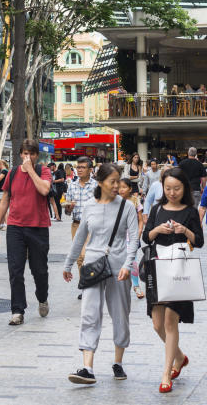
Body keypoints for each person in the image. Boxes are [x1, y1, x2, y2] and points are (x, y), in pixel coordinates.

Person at [63, 163, 139, 385]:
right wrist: (68, 265)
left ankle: (118, 362)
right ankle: (87, 367)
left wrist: (127, 264)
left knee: (120, 314)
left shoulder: (127, 207)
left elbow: (134, 239)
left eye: (119, 181)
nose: (117, 186)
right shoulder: (89, 206)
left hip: (119, 269)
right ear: (100, 183)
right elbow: (80, 239)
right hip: (93, 266)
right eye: (112, 182)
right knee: (89, 314)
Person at [142, 167, 204, 393]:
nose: (172, 192)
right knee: (157, 324)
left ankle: (166, 373)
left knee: (170, 322)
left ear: (184, 188)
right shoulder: (157, 208)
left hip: (179, 270)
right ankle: (180, 357)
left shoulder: (190, 211)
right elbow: (145, 237)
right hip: (157, 269)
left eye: (176, 188)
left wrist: (184, 229)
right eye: (168, 188)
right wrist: (158, 229)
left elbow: (199, 241)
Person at [0, 139, 53, 326]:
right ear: (20, 154)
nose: (28, 157)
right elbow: (5, 200)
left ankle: (42, 297)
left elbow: (44, 190)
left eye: (31, 153)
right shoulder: (13, 173)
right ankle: (18, 310)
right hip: (15, 227)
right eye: (25, 153)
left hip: (38, 227)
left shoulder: (44, 171)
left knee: (39, 270)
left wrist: (31, 170)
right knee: (15, 270)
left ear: (36, 155)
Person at [64, 156, 98, 281]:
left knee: (86, 255)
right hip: (76, 224)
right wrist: (69, 208)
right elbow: (67, 212)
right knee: (79, 257)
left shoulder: (96, 186)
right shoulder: (72, 186)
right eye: (78, 167)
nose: (79, 170)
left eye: (83, 167)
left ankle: (91, 283)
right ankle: (84, 284)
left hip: (91, 225)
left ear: (90, 170)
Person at [118, 178, 145, 299]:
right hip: (118, 237)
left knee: (133, 261)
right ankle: (120, 287)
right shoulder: (115, 201)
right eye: (119, 187)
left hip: (132, 236)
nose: (121, 190)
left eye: (124, 187)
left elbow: (140, 219)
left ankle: (136, 285)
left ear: (129, 188)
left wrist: (139, 232)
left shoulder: (135, 200)